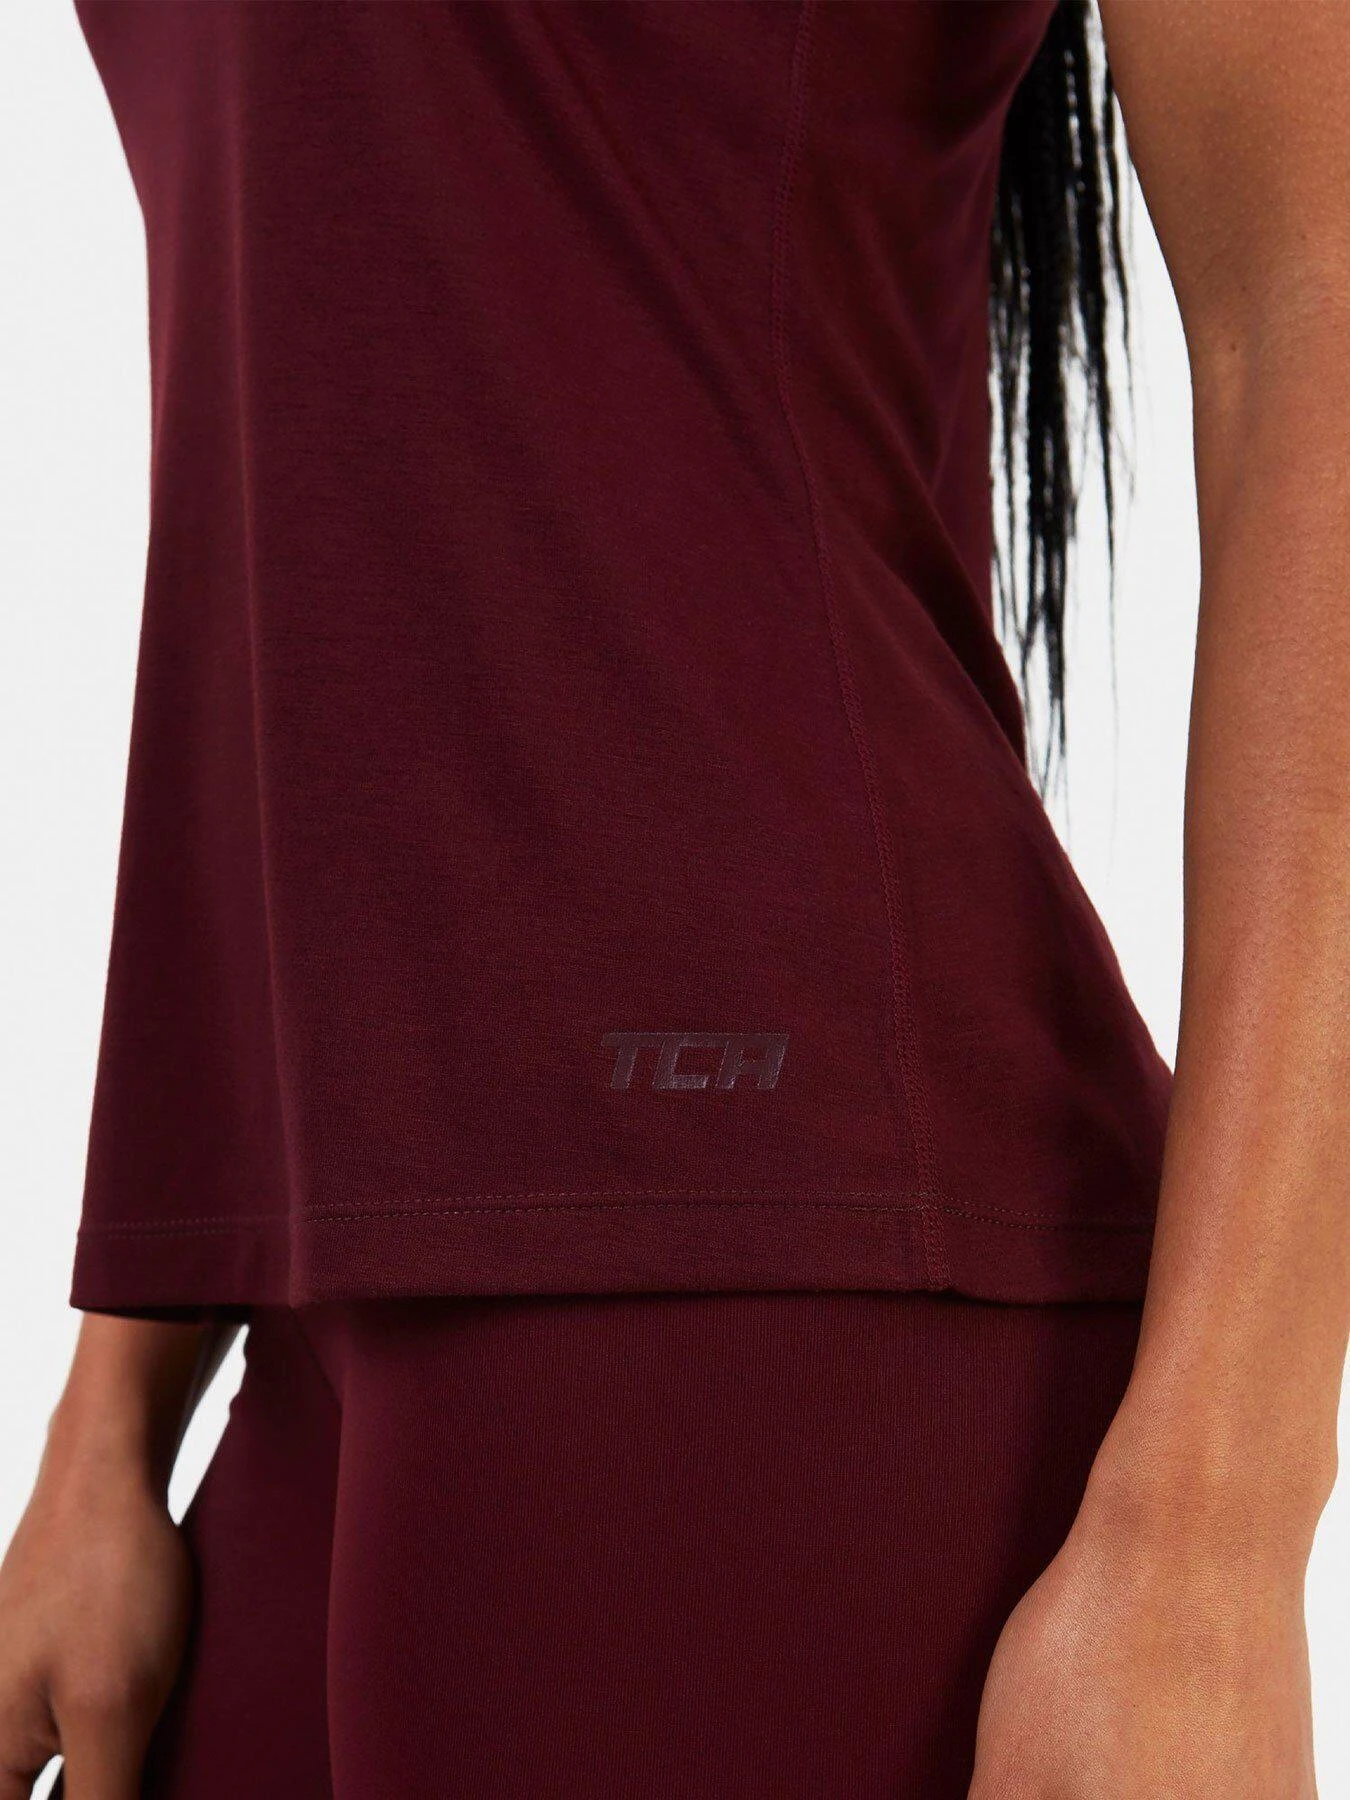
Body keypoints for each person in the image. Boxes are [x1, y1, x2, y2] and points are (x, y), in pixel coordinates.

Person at [1, 0, 1347, 1793]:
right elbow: (330, 443)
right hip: (315, 1315)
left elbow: (1315, 323)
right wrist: (118, 1390)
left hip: (774, 1286)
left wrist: (1219, 1532)